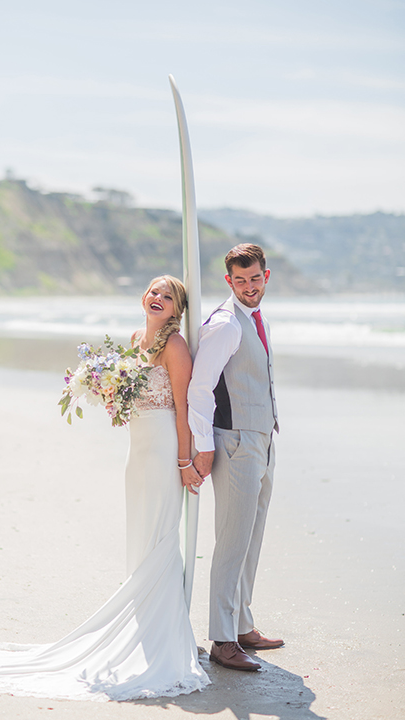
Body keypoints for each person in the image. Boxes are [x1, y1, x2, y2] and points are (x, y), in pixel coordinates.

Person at [0, 275, 210, 701]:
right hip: (137, 448)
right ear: (144, 297)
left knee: (162, 535)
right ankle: (143, 622)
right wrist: (111, 393)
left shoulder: (176, 347)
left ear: (178, 308)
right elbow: (132, 397)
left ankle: (164, 631)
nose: (158, 298)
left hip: (163, 447)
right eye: (154, 291)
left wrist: (185, 461)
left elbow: (183, 409)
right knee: (141, 534)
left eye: (168, 295)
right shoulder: (133, 338)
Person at [188, 244, 283, 672]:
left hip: (262, 439)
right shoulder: (226, 324)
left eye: (255, 279)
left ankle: (242, 623)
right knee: (231, 542)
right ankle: (222, 640)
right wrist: (203, 445)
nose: (249, 287)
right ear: (229, 281)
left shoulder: (253, 318)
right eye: (240, 281)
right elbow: (199, 388)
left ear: (266, 276)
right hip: (236, 443)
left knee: (252, 538)